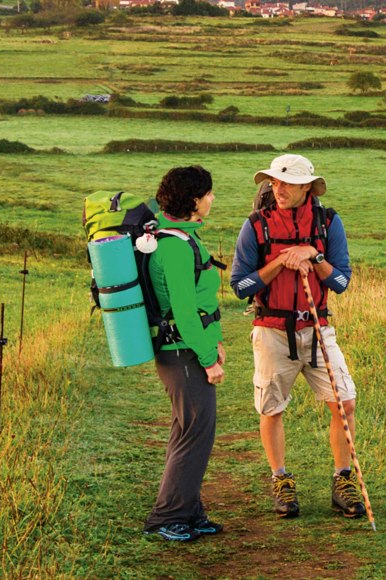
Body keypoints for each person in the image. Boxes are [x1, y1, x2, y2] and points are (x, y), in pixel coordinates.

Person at [229, 154, 363, 519]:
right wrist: (280, 262)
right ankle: (281, 480)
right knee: (271, 408)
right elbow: (240, 287)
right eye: (274, 182)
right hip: (271, 330)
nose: (278, 188)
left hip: (318, 327)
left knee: (344, 403)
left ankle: (342, 479)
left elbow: (340, 282)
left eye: (287, 182)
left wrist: (313, 255)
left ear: (307, 187)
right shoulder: (256, 226)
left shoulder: (329, 223)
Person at [143, 165, 226, 542]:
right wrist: (208, 359)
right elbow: (185, 313)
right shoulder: (175, 247)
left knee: (188, 431)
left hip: (186, 350)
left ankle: (189, 511)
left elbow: (200, 302)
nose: (212, 199)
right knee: (196, 433)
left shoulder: (181, 237)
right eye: (208, 193)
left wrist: (216, 340)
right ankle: (166, 517)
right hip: (183, 354)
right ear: (194, 200)